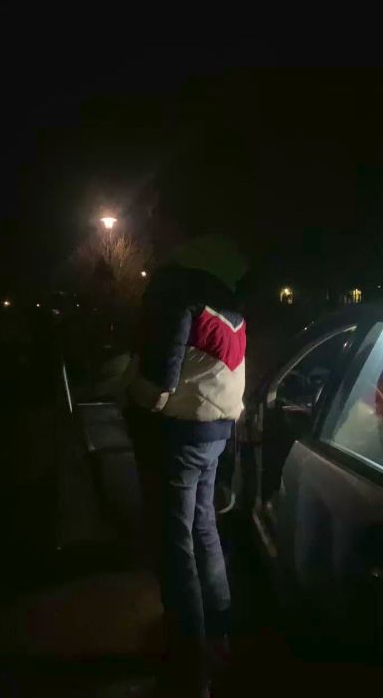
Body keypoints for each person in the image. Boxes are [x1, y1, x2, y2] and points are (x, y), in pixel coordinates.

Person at [125, 234, 247, 697]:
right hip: (217, 431)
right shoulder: (229, 305)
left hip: (180, 435)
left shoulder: (176, 295)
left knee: (176, 546)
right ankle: (219, 634)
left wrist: (130, 395)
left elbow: (160, 382)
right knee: (204, 529)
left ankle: (189, 662)